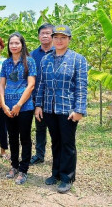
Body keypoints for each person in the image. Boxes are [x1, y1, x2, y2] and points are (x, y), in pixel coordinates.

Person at [35, 25, 88, 193]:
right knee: (55, 142)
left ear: (69, 39)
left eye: (63, 37)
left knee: (67, 144)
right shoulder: (46, 59)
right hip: (49, 108)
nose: (59, 40)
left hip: (67, 109)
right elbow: (41, 84)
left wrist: (79, 109)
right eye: (56, 37)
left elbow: (81, 86)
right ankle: (56, 173)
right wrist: (38, 105)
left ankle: (67, 177)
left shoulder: (77, 59)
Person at [0, 32, 36, 185]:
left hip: (24, 107)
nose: (14, 46)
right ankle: (14, 165)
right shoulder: (6, 63)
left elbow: (31, 84)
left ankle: (23, 169)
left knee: (25, 138)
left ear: (22, 44)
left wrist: (19, 104)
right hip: (8, 106)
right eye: (11, 43)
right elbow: (1, 84)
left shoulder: (30, 62)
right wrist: (3, 104)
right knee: (12, 137)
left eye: (17, 43)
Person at [30, 23, 55, 165]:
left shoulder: (58, 52)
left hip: (54, 98)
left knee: (56, 129)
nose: (45, 35)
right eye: (42, 33)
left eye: (48, 33)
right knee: (40, 127)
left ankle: (58, 155)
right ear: (39, 36)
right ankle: (39, 155)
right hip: (37, 97)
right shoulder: (33, 55)